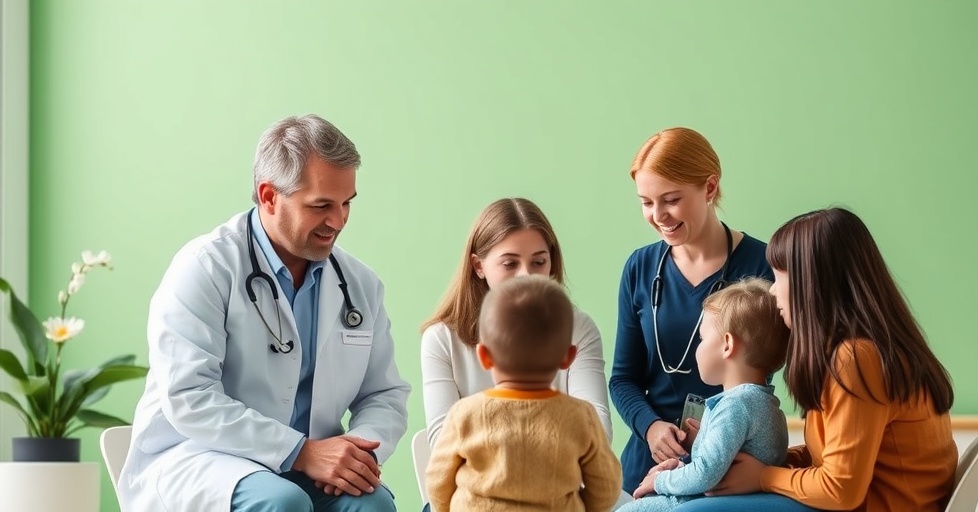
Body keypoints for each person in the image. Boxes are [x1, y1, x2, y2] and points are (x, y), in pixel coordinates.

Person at [119, 114, 411, 512]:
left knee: (371, 505)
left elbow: (384, 393)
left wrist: (360, 453)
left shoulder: (359, 284)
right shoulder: (205, 267)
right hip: (203, 458)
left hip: (313, 466)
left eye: (347, 204)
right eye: (321, 205)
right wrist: (300, 452)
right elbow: (190, 395)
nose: (338, 221)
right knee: (282, 502)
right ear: (269, 196)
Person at [676, 207, 958, 512]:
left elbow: (840, 490)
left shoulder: (856, 359)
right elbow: (833, 461)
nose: (772, 290)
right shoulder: (865, 352)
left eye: (780, 275)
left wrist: (765, 476)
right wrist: (772, 464)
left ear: (811, 283)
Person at [610, 127, 774, 492]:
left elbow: (766, 372)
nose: (658, 216)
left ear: (710, 188)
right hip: (646, 471)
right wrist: (650, 427)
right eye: (646, 203)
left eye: (670, 200)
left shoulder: (763, 265)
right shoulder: (639, 268)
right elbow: (623, 379)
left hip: (728, 466)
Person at [421, 197, 613, 447]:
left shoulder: (579, 329)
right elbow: (443, 443)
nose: (526, 275)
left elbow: (598, 433)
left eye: (538, 262)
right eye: (510, 263)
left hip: (564, 484)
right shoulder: (441, 339)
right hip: (480, 486)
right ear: (478, 266)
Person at [425, 275, 622, 511]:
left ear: (484, 356)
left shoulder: (463, 414)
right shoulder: (582, 417)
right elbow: (606, 485)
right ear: (568, 357)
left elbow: (438, 481)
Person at [617, 278, 790, 512]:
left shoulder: (736, 406)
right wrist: (682, 464)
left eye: (702, 338)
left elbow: (706, 474)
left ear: (727, 344)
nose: (698, 347)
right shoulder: (763, 403)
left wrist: (659, 481)